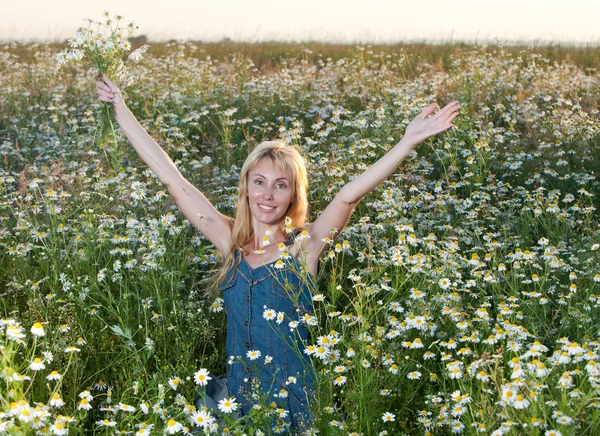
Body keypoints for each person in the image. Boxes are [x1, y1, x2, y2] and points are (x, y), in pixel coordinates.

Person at [96, 73, 459, 433]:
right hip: (236, 404)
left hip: (292, 406)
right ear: (247, 189)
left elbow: (349, 195)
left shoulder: (306, 246)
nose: (268, 195)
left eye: (280, 185)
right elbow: (173, 178)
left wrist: (406, 143)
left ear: (292, 196)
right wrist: (121, 108)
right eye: (260, 183)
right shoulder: (229, 242)